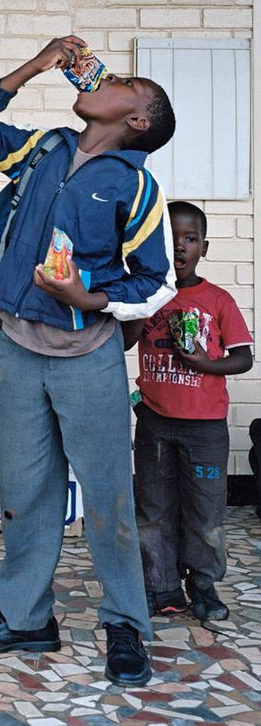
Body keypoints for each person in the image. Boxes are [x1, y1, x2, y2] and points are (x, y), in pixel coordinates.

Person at [0, 35, 177, 688]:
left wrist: (87, 295)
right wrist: (38, 64)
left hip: (87, 359)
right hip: (18, 346)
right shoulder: (44, 149)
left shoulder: (135, 186)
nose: (104, 77)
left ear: (137, 119)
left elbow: (157, 283)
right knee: (24, 493)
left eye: (125, 83)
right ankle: (26, 617)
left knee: (108, 497)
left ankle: (127, 623)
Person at [123, 201, 252, 624]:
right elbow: (126, 341)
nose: (179, 248)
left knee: (205, 511)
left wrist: (205, 365)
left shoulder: (218, 299)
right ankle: (160, 584)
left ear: (205, 247)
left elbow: (243, 358)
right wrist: (144, 302)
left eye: (190, 239)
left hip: (205, 429)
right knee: (154, 507)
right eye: (169, 240)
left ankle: (203, 583)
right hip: (156, 423)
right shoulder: (148, 294)